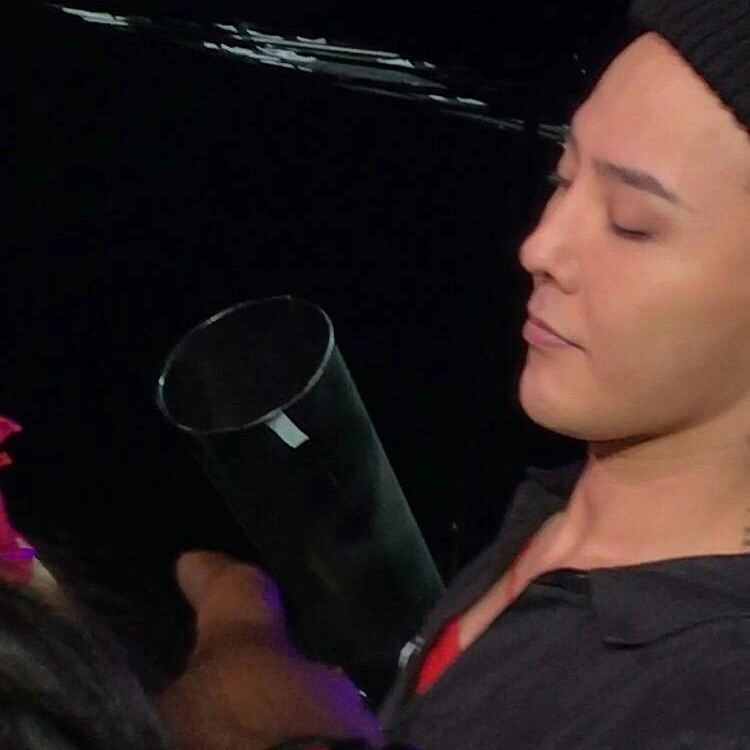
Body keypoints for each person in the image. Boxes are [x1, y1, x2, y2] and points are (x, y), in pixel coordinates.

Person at [157, 0, 750, 748]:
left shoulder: (711, 704)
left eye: (630, 222)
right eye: (563, 176)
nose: (540, 247)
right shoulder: (557, 512)